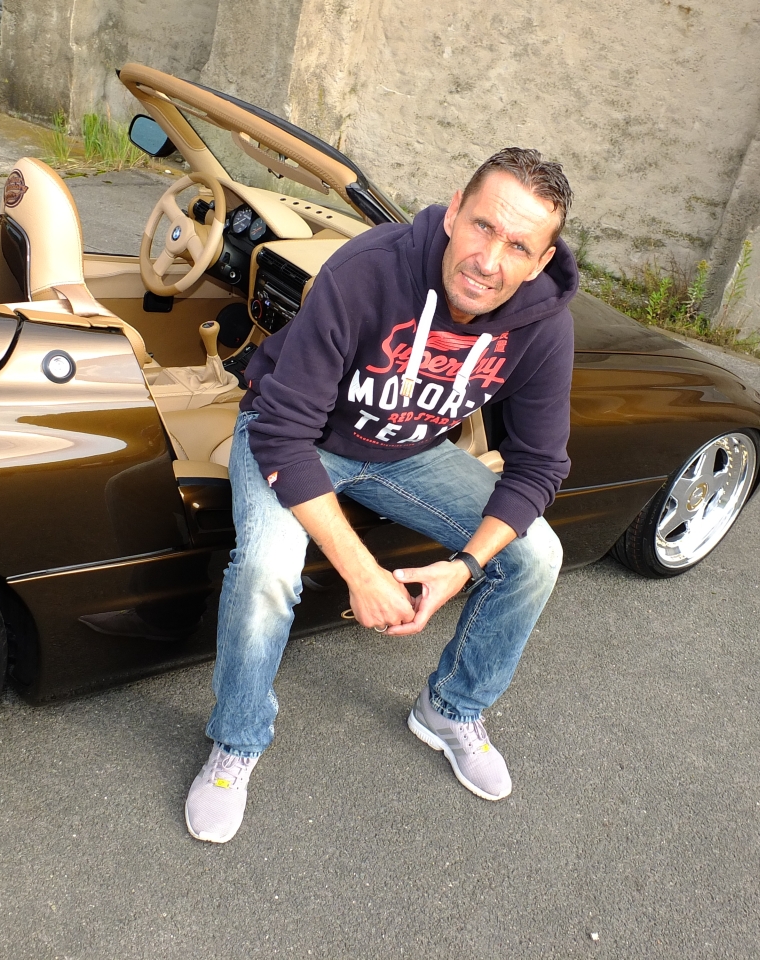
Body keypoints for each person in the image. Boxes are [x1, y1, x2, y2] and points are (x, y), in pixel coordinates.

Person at [185, 147, 578, 843]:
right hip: (297, 437)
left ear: (541, 261)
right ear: (454, 213)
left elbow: (540, 467)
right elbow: (282, 432)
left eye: (519, 246)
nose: (490, 260)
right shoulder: (367, 271)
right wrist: (361, 573)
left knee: (536, 554)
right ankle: (237, 741)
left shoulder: (544, 324)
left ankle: (450, 710)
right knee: (268, 569)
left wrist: (463, 568)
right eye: (484, 226)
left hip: (407, 451)